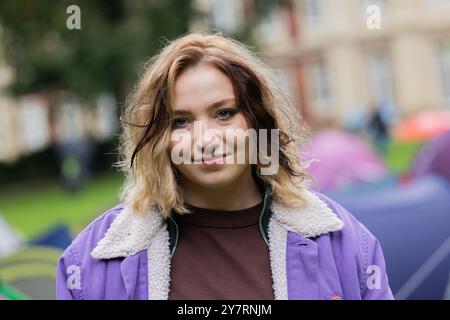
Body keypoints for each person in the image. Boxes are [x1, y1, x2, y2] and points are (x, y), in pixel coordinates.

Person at [56, 33, 393, 300]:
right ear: (159, 137)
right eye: (181, 121)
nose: (205, 139)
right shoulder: (91, 262)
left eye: (224, 113)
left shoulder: (342, 243)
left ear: (259, 123)